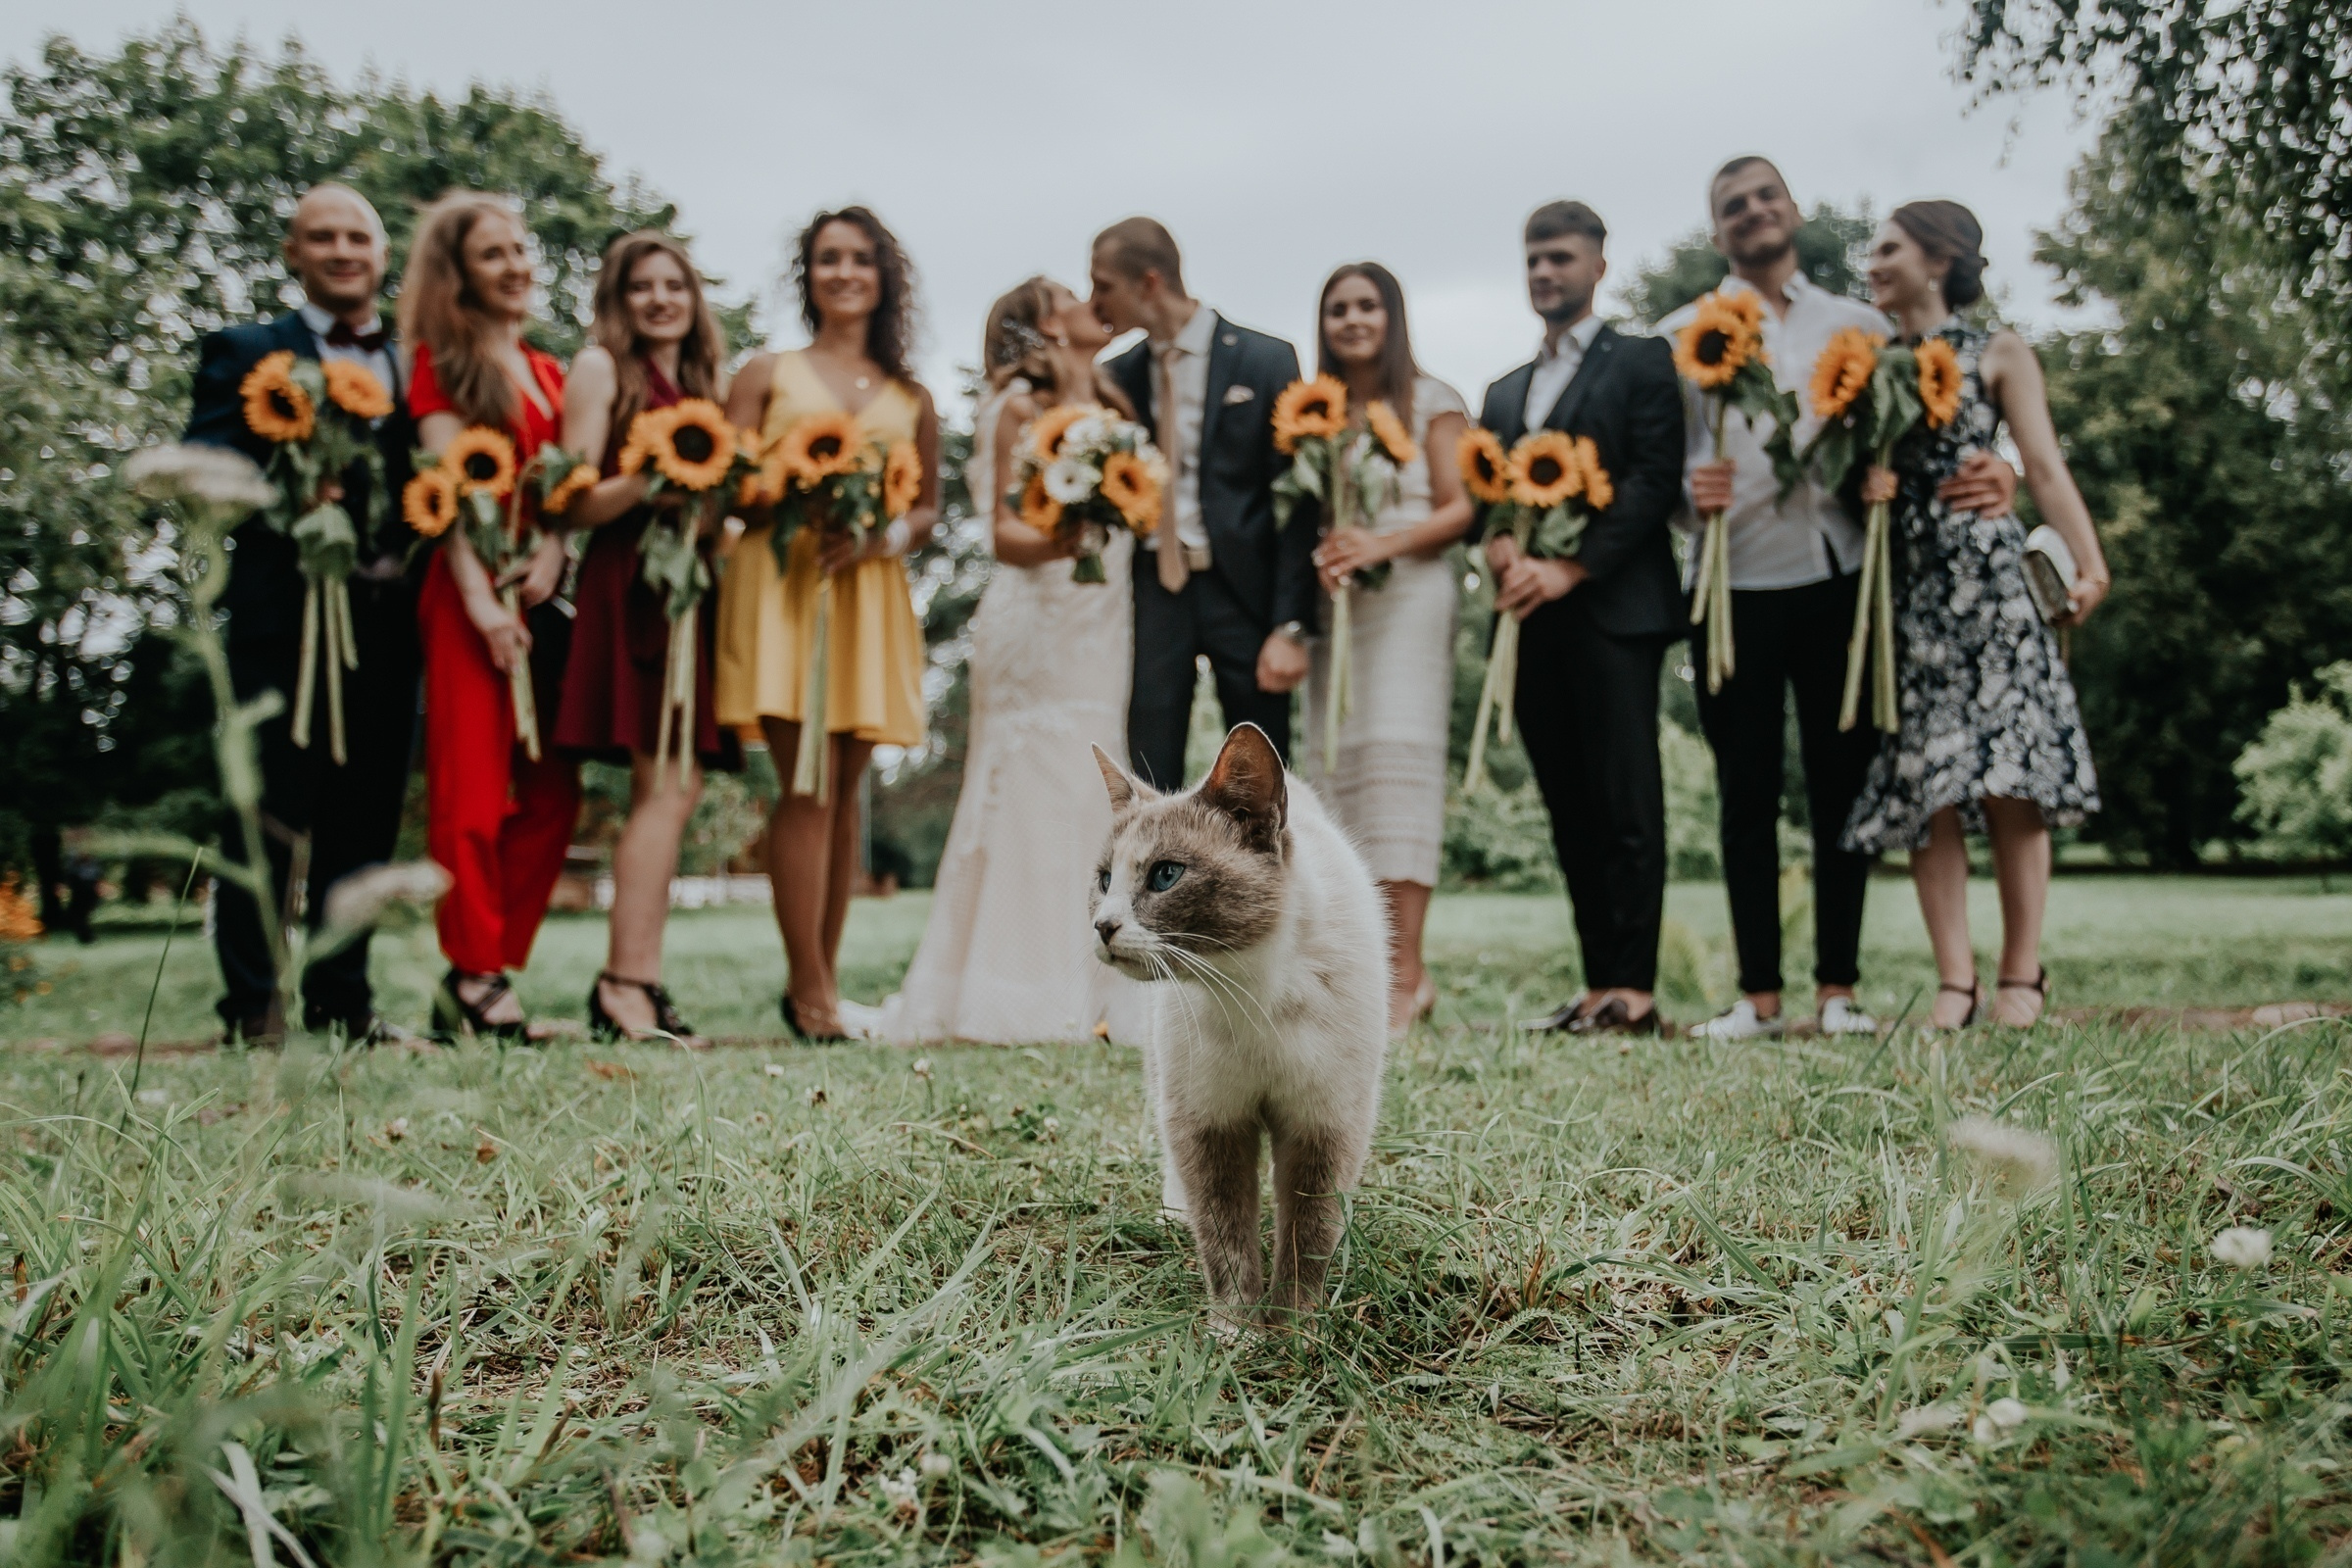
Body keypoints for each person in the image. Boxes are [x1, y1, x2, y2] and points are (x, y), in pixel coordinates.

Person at [1664, 158, 2020, 1043]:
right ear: (1717, 230)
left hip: (1843, 583)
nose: (1753, 212)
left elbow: (1935, 428)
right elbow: (1657, 467)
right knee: (1745, 793)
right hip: (1730, 585)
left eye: (1766, 197)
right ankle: (1757, 997)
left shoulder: (1862, 326)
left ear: (1792, 209)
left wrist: (2001, 470)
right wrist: (1684, 495)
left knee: (1842, 788)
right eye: (1733, 206)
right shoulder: (1680, 335)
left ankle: (1837, 992)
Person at [1842, 201, 2107, 1029]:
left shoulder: (1998, 351)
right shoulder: (1865, 365)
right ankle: (1955, 982)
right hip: (1910, 597)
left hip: (1990, 589)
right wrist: (1865, 486)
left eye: (1889, 249)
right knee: (1932, 786)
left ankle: (2021, 974)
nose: (1872, 264)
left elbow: (2045, 465)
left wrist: (2089, 563)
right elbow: (1836, 481)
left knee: (2008, 780)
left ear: (1939, 258)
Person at [855, 277, 1140, 1044]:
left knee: (1093, 794)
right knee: (1038, 790)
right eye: (1072, 294)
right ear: (1047, 324)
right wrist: (1075, 534)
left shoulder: (1114, 401)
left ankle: (1099, 986)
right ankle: (1019, 989)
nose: (1089, 301)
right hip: (1038, 619)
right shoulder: (1017, 406)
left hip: (1104, 621)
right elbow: (1004, 534)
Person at [184, 183, 418, 1045]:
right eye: (322, 237)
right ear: (293, 253)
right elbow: (208, 463)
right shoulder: (246, 351)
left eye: (358, 236)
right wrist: (289, 488)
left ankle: (342, 1000)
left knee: (366, 814)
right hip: (282, 618)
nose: (342, 251)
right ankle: (254, 1006)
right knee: (268, 810)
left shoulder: (414, 362)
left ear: (383, 254)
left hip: (389, 624)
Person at [716, 208, 940, 1043]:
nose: (844, 273)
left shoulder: (911, 397)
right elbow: (726, 481)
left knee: (845, 792)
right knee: (803, 783)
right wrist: (788, 492)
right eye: (827, 259)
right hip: (784, 587)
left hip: (865, 588)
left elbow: (926, 509)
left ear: (884, 277)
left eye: (859, 259)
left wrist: (879, 536)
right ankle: (808, 992)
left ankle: (823, 981)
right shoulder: (765, 372)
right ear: (807, 276)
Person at [1477, 201, 1686, 1037]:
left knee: (1624, 801)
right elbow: (1488, 494)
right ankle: (1598, 984)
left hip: (1614, 612)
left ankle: (1634, 989)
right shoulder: (1504, 391)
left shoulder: (1641, 360)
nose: (1544, 272)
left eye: (1560, 257)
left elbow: (1654, 478)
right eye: (1533, 259)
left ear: (1598, 265)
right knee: (1567, 805)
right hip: (1529, 623)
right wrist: (1497, 542)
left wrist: (1571, 567)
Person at [401, 192, 580, 1041]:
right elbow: (448, 492)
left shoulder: (550, 371)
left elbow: (565, 491)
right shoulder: (440, 362)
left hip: (539, 594)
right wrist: (479, 601)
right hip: (468, 592)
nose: (515, 265)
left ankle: (483, 967)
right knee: (470, 793)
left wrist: (552, 554)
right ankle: (478, 979)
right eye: (492, 254)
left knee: (554, 791)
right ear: (459, 273)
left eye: (519, 248)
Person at [552, 231, 737, 1043]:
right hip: (629, 581)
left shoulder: (704, 386)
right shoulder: (600, 369)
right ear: (617, 300)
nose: (660, 300)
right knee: (665, 785)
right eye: (641, 287)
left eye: (674, 285)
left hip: (687, 590)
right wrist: (653, 476)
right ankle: (624, 983)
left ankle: (640, 979)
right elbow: (571, 498)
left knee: (675, 788)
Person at [1298, 263, 1472, 1036]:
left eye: (1367, 305)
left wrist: (1381, 544)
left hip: (1409, 596)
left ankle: (1407, 972)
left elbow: (1461, 508)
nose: (1352, 320)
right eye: (1337, 309)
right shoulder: (1315, 413)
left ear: (1392, 316)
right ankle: (1356, 964)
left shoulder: (1432, 400)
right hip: (1337, 608)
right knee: (1339, 770)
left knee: (1399, 767)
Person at [1089, 218, 1317, 788]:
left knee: (1262, 772)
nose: (1094, 302)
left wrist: (1290, 625)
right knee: (1147, 768)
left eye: (1103, 285)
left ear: (1149, 282)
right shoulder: (1115, 376)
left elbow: (1295, 504)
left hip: (1242, 589)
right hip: (1152, 589)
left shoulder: (1266, 360)